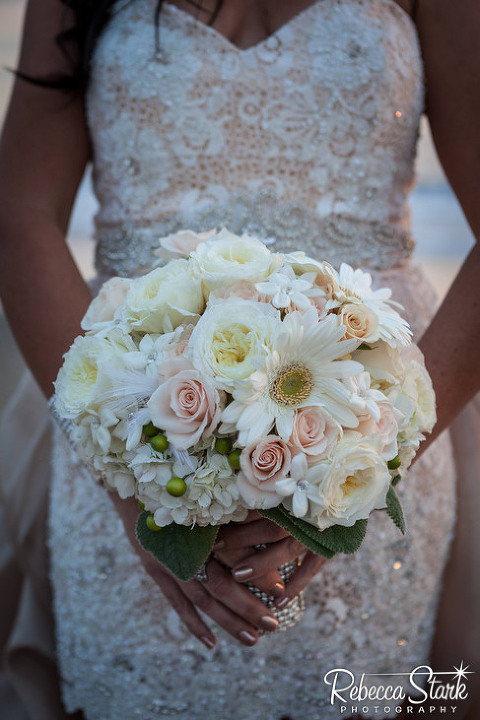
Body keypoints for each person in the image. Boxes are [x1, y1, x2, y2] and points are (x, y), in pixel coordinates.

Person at [0, 0, 479, 718]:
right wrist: (135, 492)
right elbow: (20, 213)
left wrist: (366, 469)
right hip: (139, 427)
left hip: (365, 419)